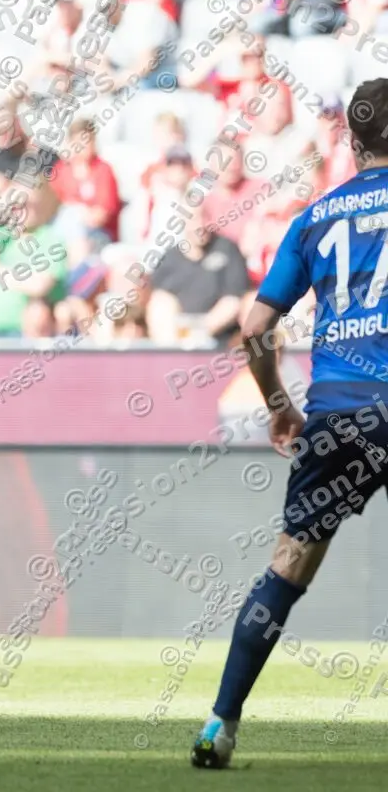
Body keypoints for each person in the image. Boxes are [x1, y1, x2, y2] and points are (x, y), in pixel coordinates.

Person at [192, 79, 388, 769]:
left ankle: (219, 725)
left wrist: (281, 407)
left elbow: (254, 329)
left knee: (287, 569)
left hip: (336, 412)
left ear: (352, 143)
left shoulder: (314, 218)